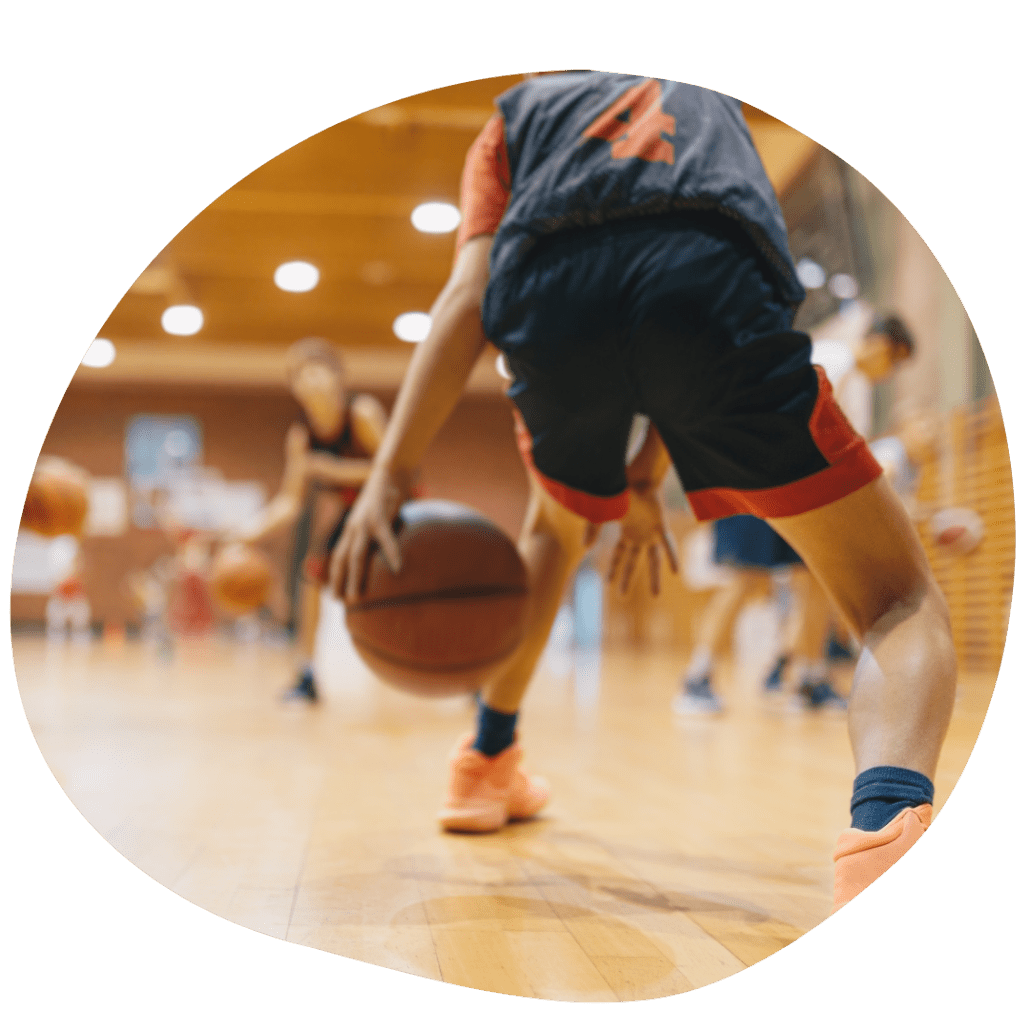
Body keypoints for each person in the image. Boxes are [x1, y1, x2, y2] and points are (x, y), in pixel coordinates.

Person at [330, 72, 956, 911]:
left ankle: (484, 760)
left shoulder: (518, 114)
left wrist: (389, 475)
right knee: (898, 598)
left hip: (552, 307)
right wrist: (644, 475)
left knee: (554, 532)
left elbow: (467, 300)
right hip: (709, 298)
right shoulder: (711, 99)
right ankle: (884, 837)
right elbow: (692, 287)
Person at [675, 314, 918, 715]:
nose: (889, 373)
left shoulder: (858, 390)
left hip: (799, 490)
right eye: (894, 361)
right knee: (745, 579)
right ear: (878, 343)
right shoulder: (826, 359)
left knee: (816, 579)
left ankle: (809, 677)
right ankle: (697, 678)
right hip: (755, 476)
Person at [236, 338, 388, 702]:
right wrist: (245, 533)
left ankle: (474, 676)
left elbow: (395, 470)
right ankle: (306, 674)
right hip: (355, 513)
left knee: (424, 587)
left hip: (394, 505)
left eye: (318, 371)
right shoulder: (301, 436)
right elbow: (290, 502)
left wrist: (334, 470)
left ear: (338, 378)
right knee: (312, 575)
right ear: (295, 388)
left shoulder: (362, 413)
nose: (310, 380)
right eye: (301, 375)